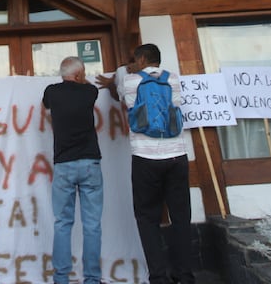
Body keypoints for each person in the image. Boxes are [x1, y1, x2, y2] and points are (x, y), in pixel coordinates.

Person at [97, 43, 194, 284]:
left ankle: (158, 277)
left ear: (140, 60)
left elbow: (117, 88)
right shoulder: (174, 79)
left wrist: (120, 75)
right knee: (180, 218)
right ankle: (184, 275)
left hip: (145, 158)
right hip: (177, 156)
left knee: (147, 218)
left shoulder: (130, 82)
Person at [42, 56, 104, 284]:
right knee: (92, 225)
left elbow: (46, 106)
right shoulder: (89, 93)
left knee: (62, 223)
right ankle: (92, 279)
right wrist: (83, 79)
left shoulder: (51, 92)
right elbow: (89, 87)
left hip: (63, 164)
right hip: (89, 163)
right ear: (79, 75)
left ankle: (61, 278)